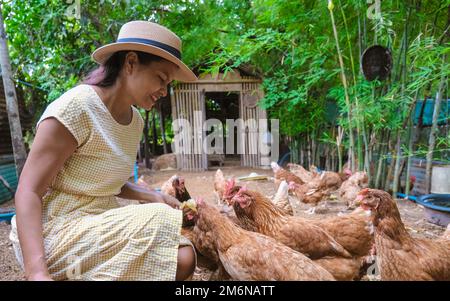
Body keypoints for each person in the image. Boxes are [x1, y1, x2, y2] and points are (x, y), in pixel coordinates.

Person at [9, 21, 198, 281]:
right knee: (161, 220)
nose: (164, 91)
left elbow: (111, 182)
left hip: (98, 221)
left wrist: (154, 196)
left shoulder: (135, 122)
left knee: (183, 257)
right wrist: (37, 272)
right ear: (130, 63)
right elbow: (28, 190)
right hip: (54, 230)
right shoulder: (77, 108)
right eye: (161, 79)